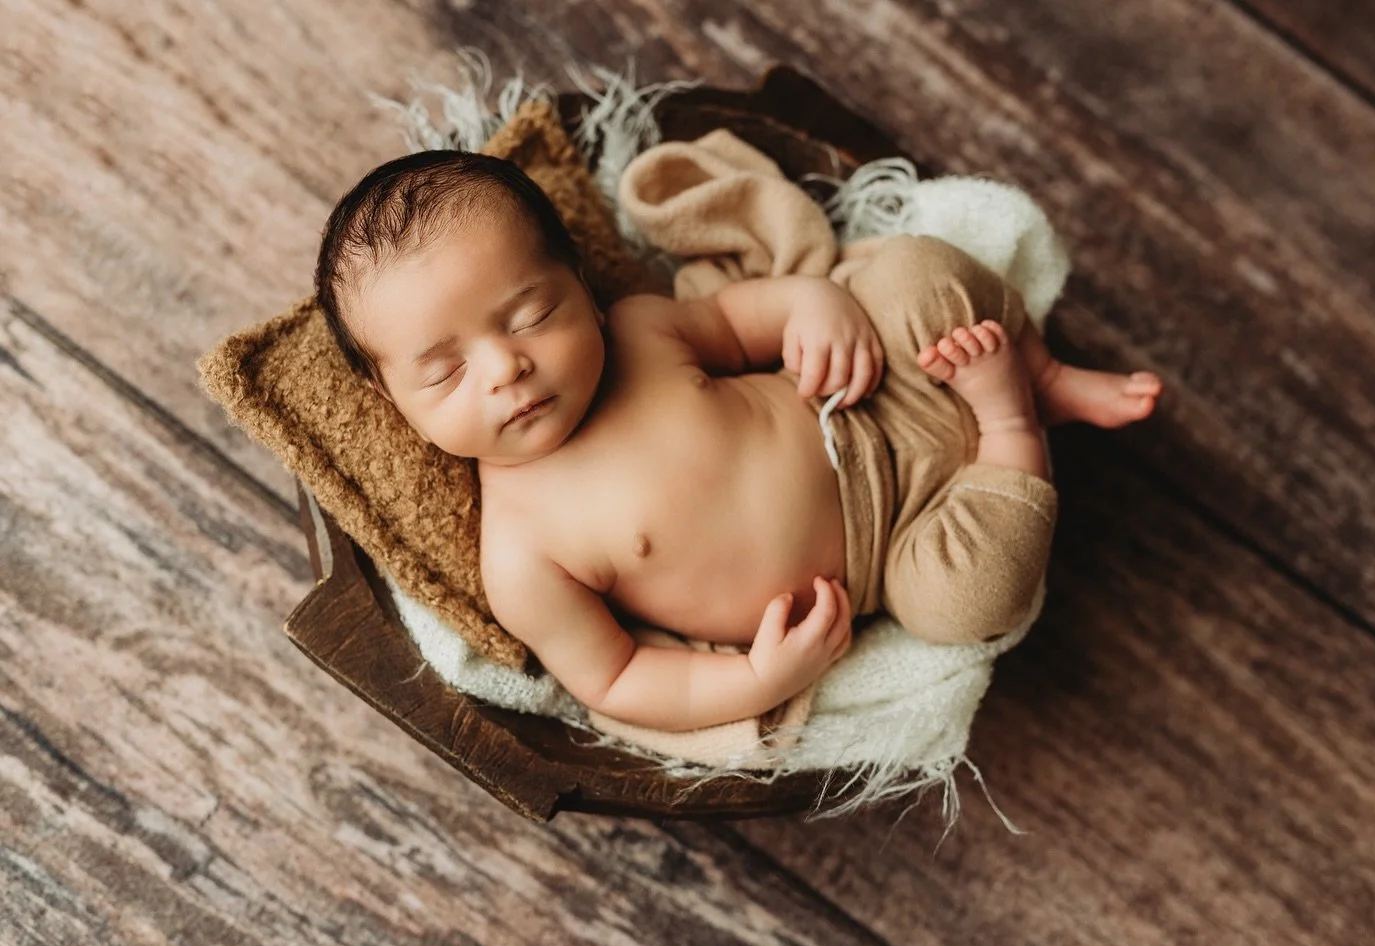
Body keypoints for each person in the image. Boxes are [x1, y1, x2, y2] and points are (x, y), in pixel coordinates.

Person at [314, 150, 1162, 733]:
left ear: (578, 278)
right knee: (971, 605)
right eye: (443, 372)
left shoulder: (643, 332)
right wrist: (759, 681)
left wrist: (810, 304)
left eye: (533, 314)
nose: (506, 367)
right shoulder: (523, 555)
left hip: (886, 386)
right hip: (898, 550)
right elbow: (616, 678)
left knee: (909, 268)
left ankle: (1047, 374)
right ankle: (1015, 419)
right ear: (386, 395)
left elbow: (736, 315)